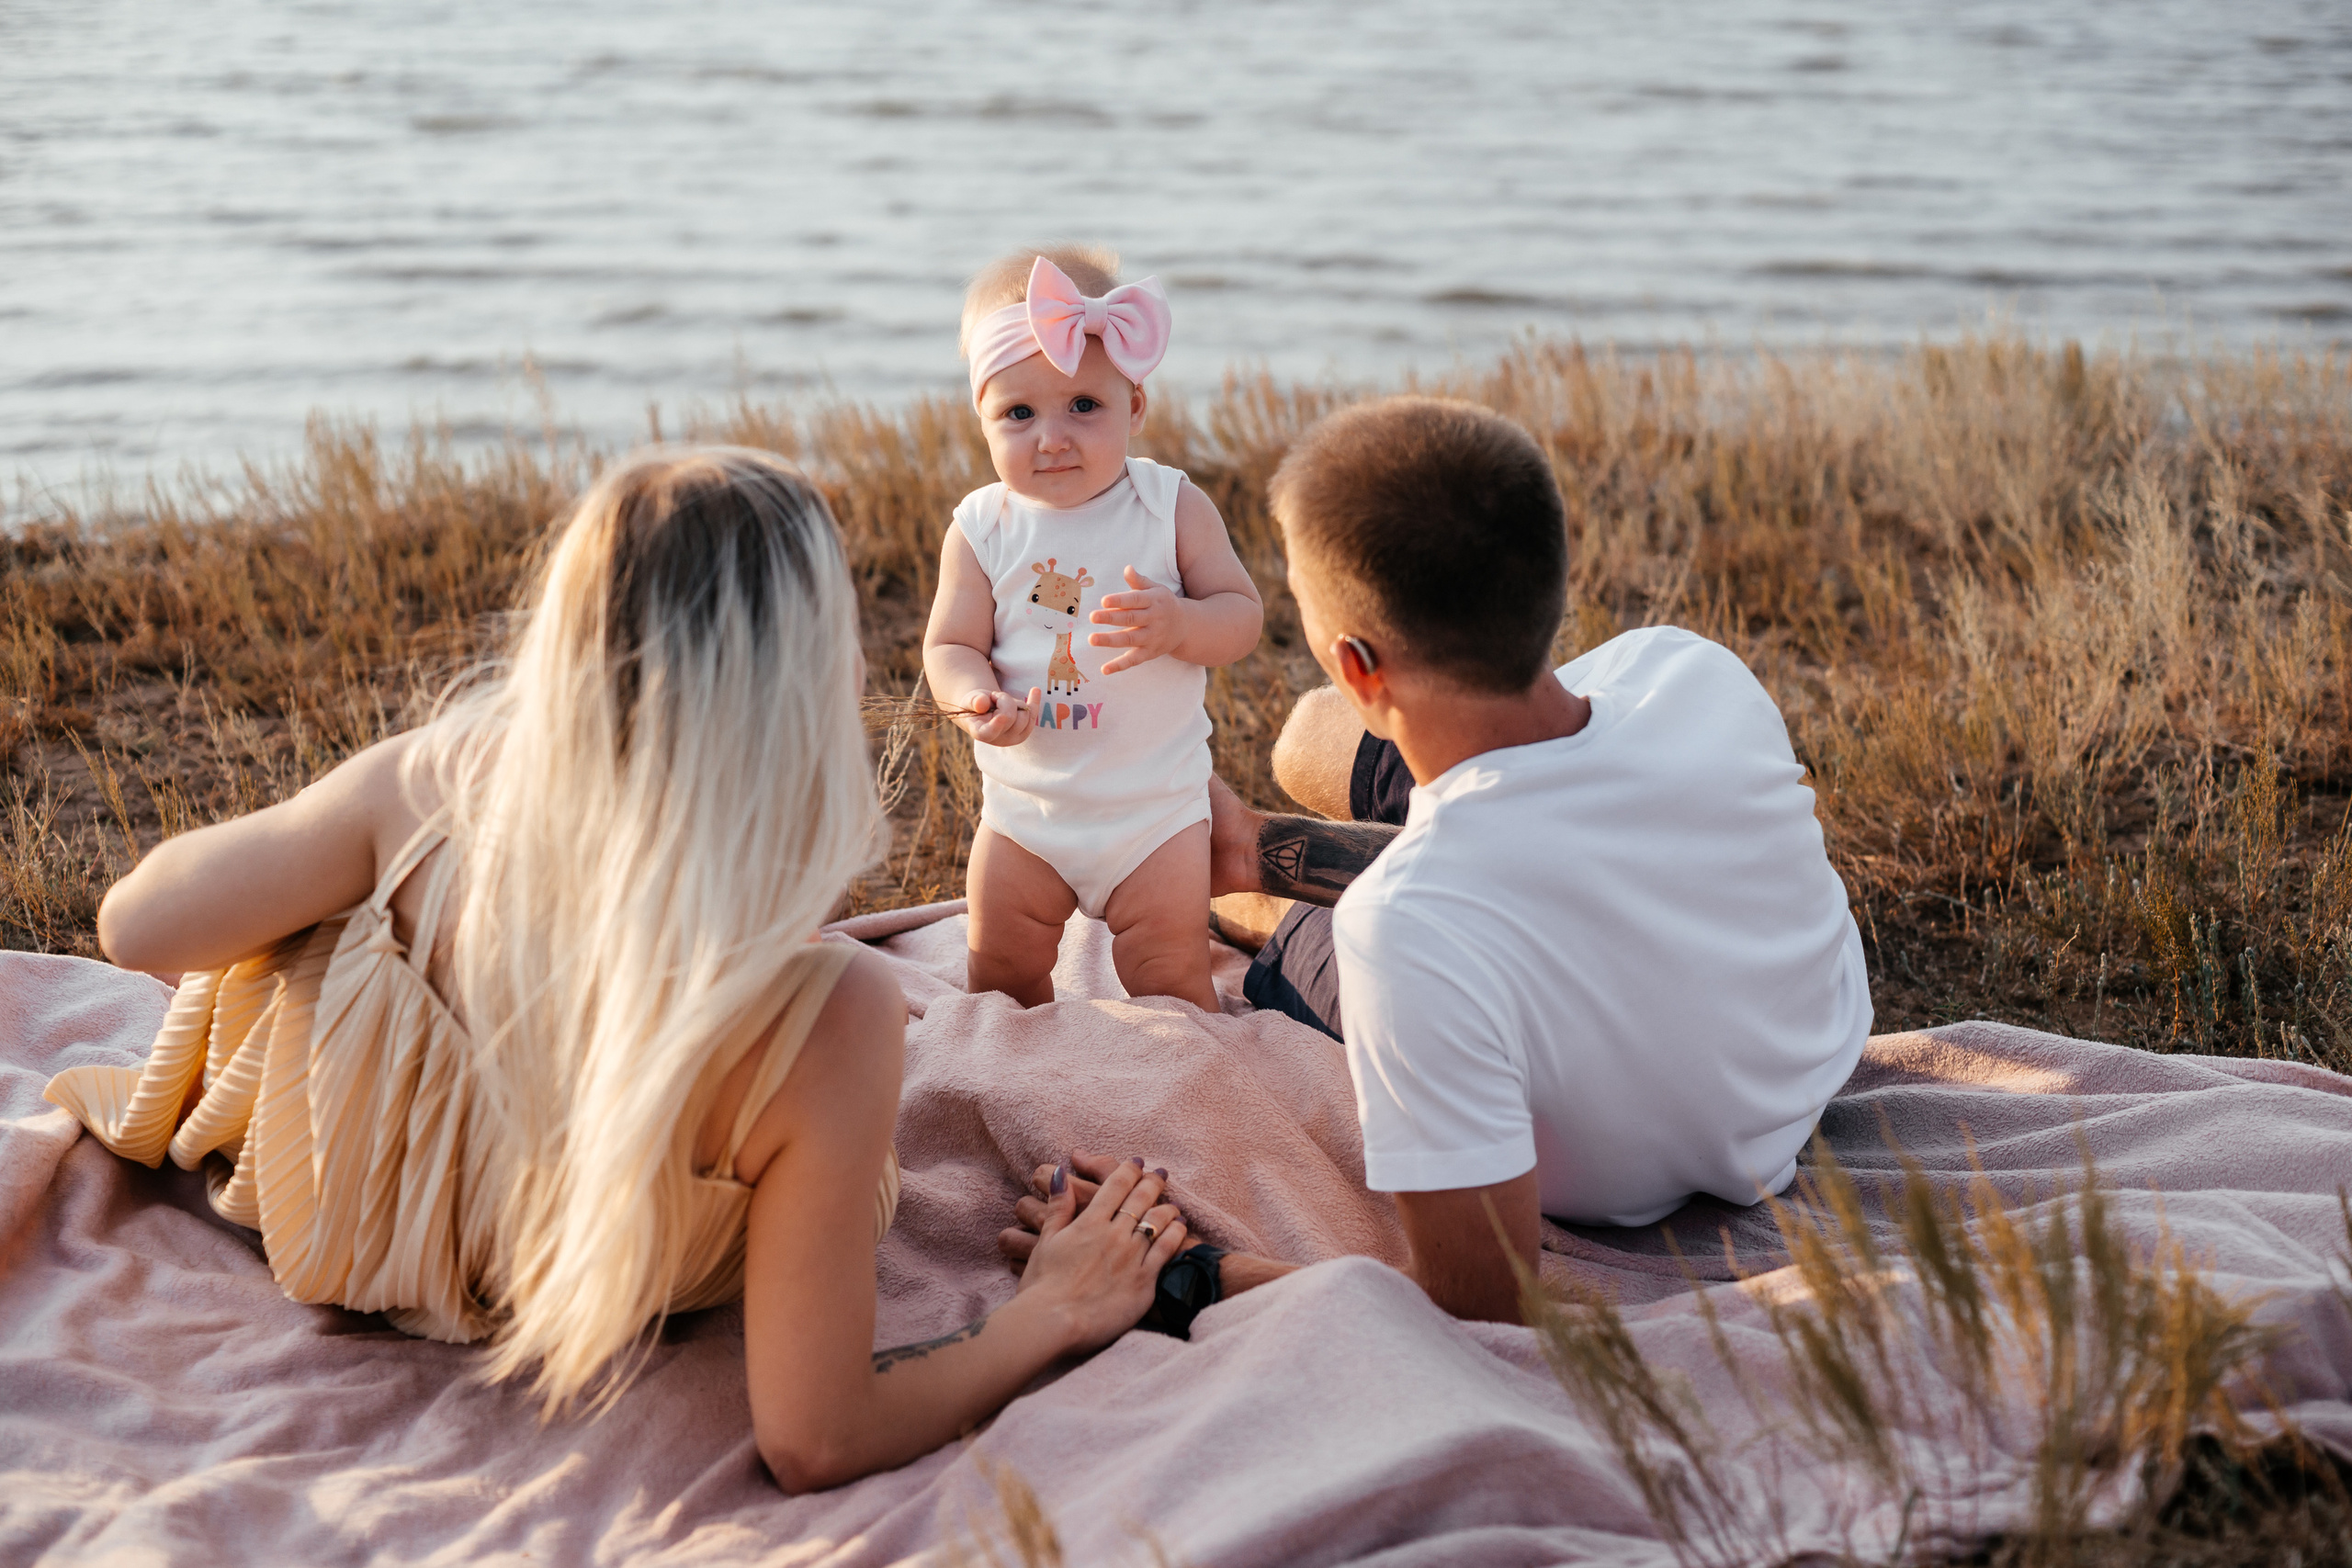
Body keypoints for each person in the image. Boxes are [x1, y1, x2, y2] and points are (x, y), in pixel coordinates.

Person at [48, 447, 1196, 1493]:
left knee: (308, 913)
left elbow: (139, 928)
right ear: (802, 684)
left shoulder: (428, 784)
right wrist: (1045, 1314)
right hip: (597, 1272)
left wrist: (356, 835)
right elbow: (818, 1437)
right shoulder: (827, 1021)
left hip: (348, 1238)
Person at [1004, 397, 1872, 1324]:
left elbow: (1480, 1302)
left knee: (1342, 863)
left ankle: (1245, 876)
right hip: (1795, 1076)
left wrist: (1179, 1275)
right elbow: (1514, 843)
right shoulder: (1691, 671)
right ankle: (1250, 850)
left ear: (1357, 664)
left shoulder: (1402, 931)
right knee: (1307, 742)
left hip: (1582, 1079)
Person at [923, 246, 1264, 1012]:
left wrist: (1181, 623)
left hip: (1155, 814)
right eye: (1019, 413)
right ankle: (1031, 1088)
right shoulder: (982, 527)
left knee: (1171, 976)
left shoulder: (1169, 507)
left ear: (1135, 406)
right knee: (1000, 975)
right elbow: (949, 646)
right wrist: (974, 699)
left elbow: (1242, 618)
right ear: (980, 418)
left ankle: (1175, 1086)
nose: (1052, 436)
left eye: (1084, 405)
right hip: (1027, 813)